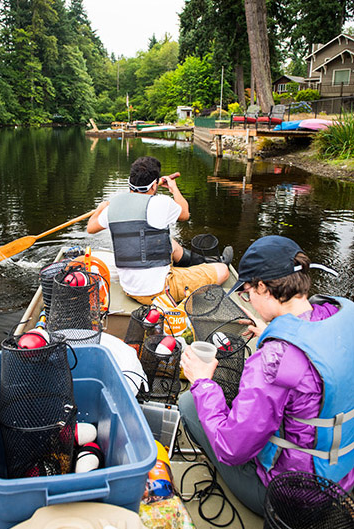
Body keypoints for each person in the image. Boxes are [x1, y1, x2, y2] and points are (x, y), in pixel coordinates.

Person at [179, 235, 354, 515]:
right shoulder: (341, 316)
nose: (248, 300)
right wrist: (273, 331)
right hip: (341, 482)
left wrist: (202, 382)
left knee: (189, 403)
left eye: (247, 292)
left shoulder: (274, 360)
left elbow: (231, 448)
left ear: (262, 286)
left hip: (289, 499)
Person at [87, 156, 232, 305]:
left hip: (129, 288)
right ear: (154, 185)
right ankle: (210, 265)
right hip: (159, 292)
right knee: (223, 271)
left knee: (171, 243)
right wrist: (173, 188)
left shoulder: (113, 207)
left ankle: (199, 265)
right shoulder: (161, 203)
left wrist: (100, 209)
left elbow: (90, 228)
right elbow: (185, 213)